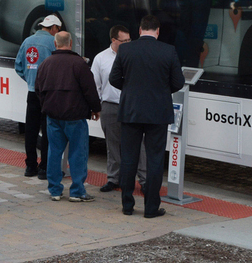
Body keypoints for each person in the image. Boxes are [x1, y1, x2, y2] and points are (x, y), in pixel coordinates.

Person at [109, 14, 185, 218]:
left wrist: (130, 89)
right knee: (155, 160)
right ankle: (151, 208)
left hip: (130, 111)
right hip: (158, 113)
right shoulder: (168, 51)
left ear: (140, 30)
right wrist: (161, 91)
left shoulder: (126, 49)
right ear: (157, 32)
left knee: (129, 159)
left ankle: (127, 205)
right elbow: (178, 82)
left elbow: (113, 78)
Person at [34, 31, 101, 202]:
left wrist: (46, 106)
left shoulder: (45, 63)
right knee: (78, 153)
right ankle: (77, 191)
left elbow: (38, 89)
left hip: (53, 116)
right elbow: (90, 90)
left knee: (54, 152)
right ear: (70, 44)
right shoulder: (79, 64)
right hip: (75, 116)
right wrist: (95, 109)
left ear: (55, 44)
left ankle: (55, 190)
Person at [91, 25, 147, 192]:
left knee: (140, 145)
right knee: (112, 145)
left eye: (130, 40)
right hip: (110, 106)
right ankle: (114, 179)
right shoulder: (101, 58)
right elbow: (95, 84)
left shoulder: (136, 55)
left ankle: (145, 181)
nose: (128, 43)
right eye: (124, 41)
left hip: (133, 105)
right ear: (113, 40)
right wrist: (98, 105)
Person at [14, 15, 60, 179]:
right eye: (58, 29)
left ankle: (30, 167)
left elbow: (18, 66)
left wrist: (30, 80)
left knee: (31, 131)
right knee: (48, 131)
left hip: (32, 92)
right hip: (48, 94)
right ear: (53, 28)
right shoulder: (53, 43)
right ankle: (44, 168)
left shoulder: (27, 41)